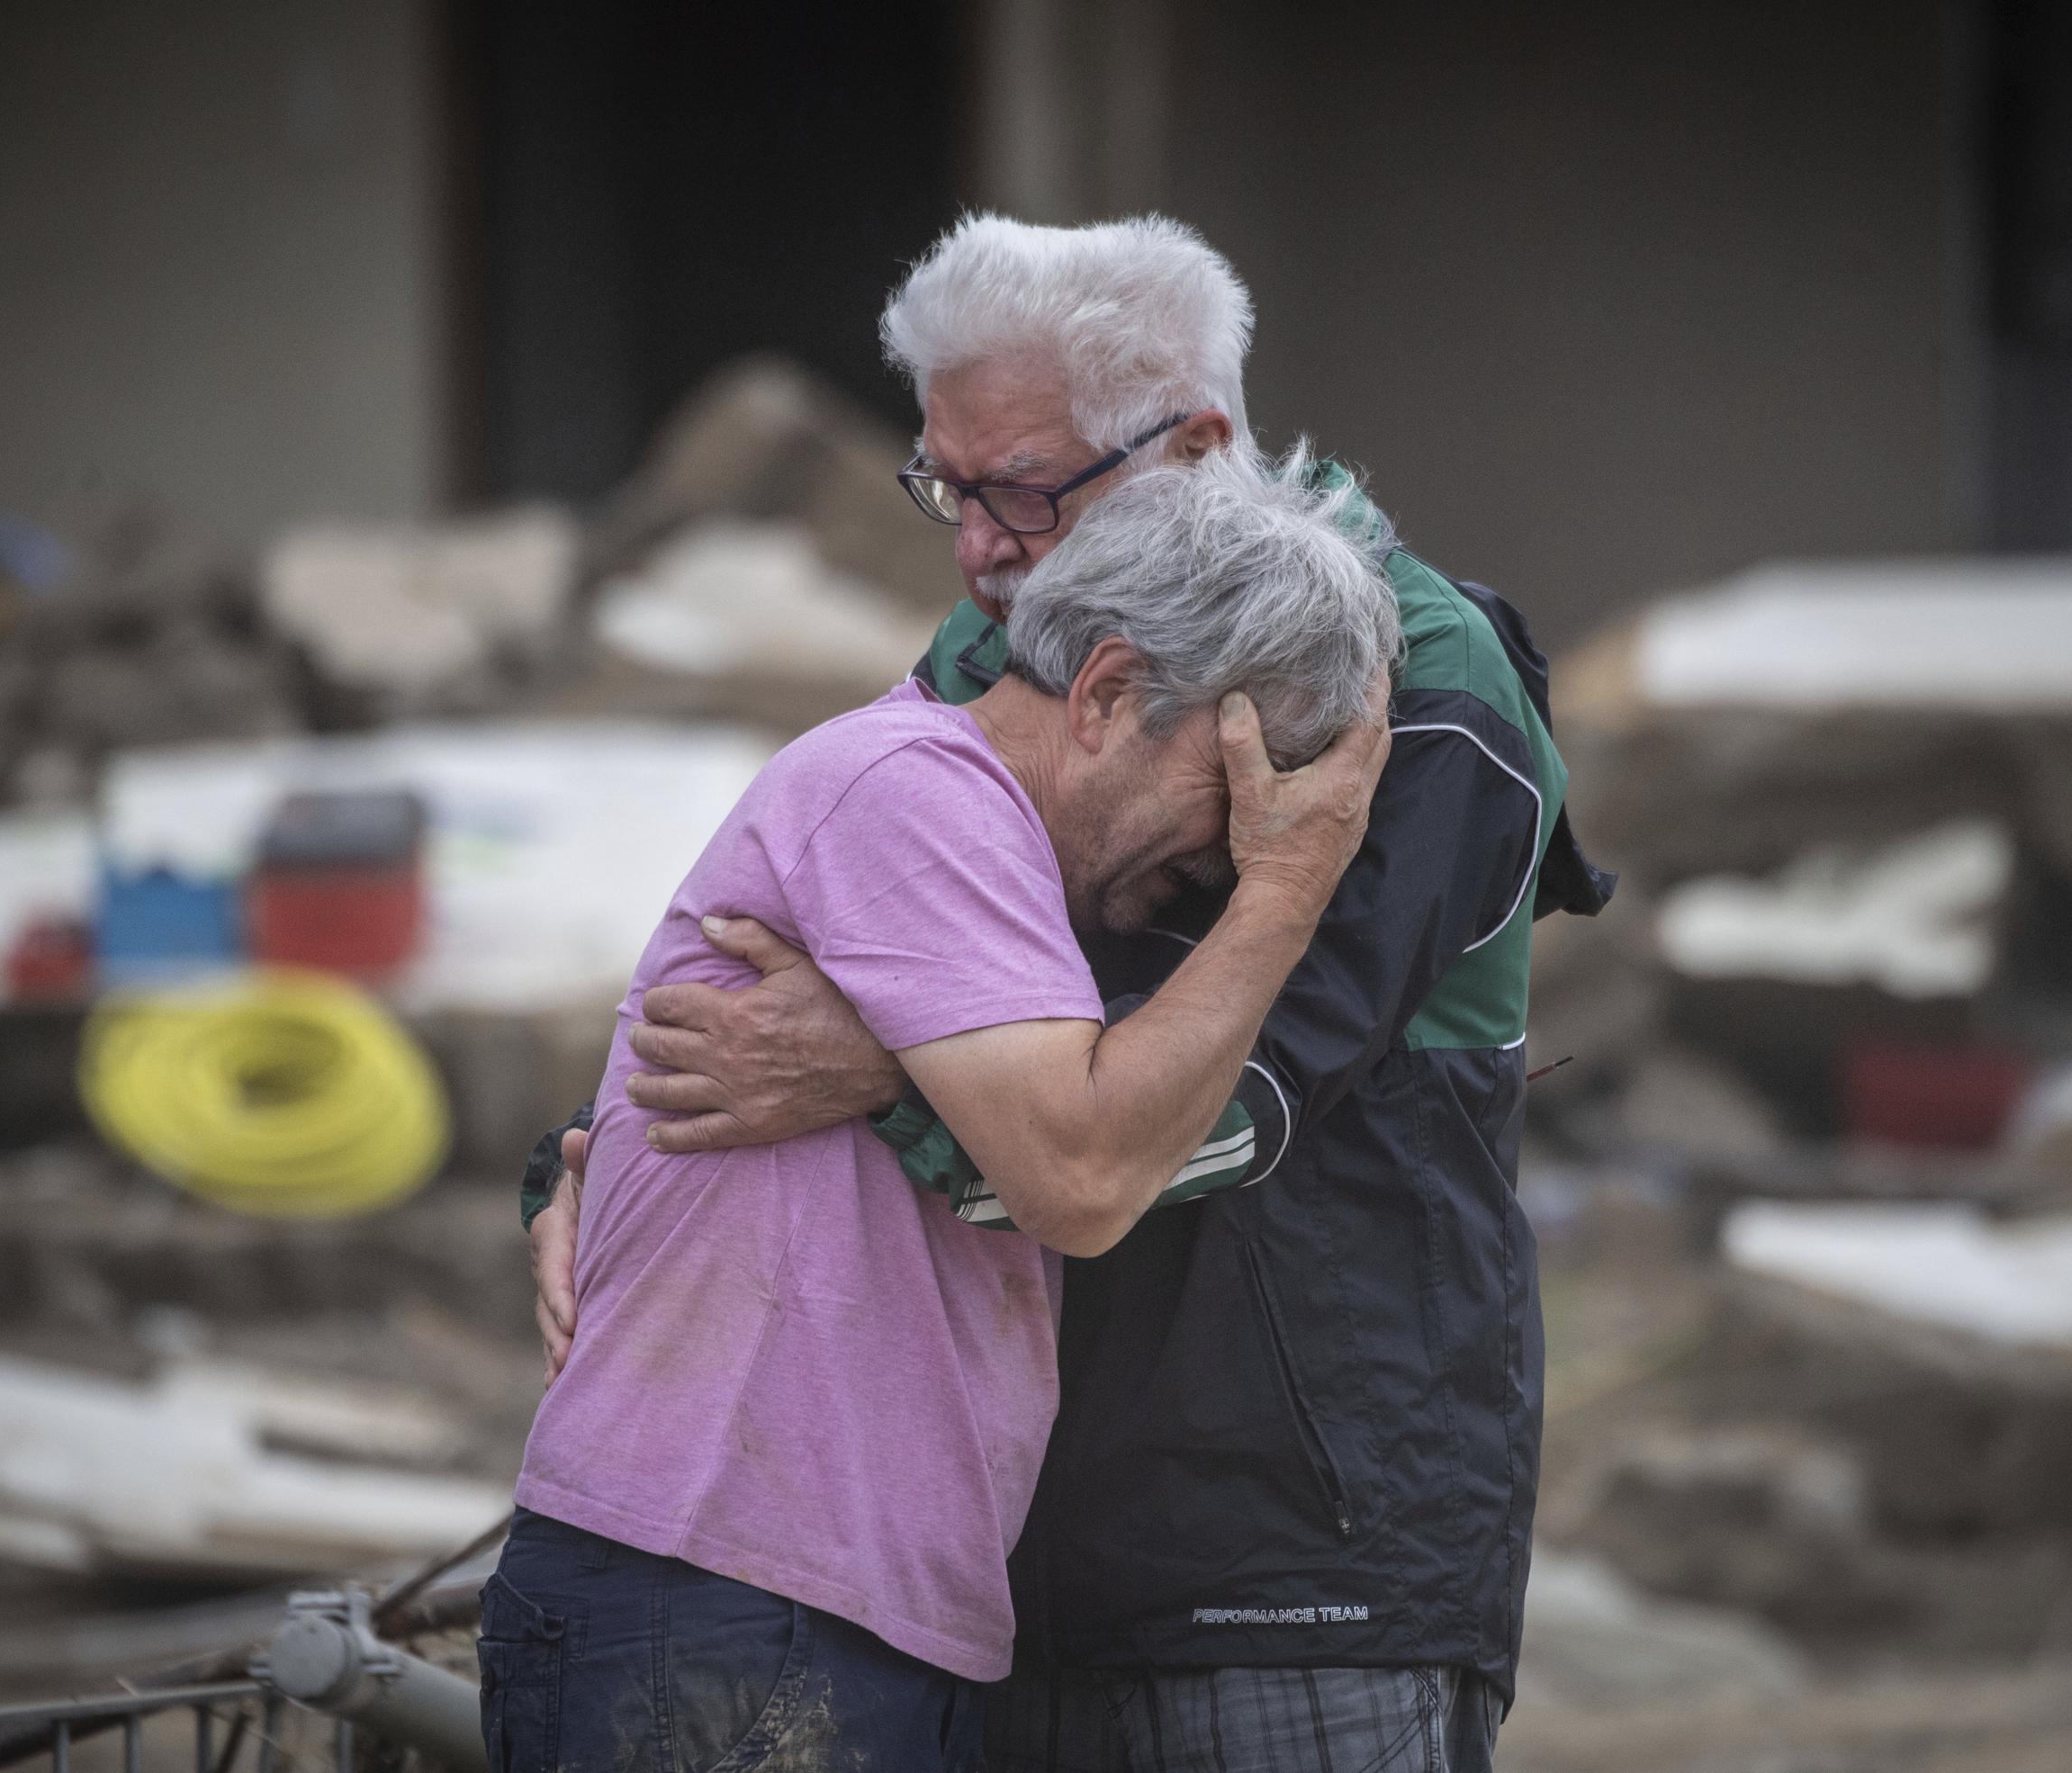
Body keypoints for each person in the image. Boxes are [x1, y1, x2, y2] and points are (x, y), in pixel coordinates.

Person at [522, 215, 1612, 1772]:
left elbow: (1218, 1096)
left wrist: (875, 1063)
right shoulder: (995, 649)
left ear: (1198, 444)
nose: (975, 543)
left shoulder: (1409, 682)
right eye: (946, 486)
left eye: (1022, 489)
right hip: (994, 1570)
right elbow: (816, 938)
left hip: (1300, 1572)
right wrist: (612, 1146)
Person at [482, 450, 1397, 1773]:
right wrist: (1289, 886)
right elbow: (1081, 1174)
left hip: (815, 1611)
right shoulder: (919, 794)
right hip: (731, 1599)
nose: (1230, 846)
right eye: (1235, 787)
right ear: (1110, 691)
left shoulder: (986, 850)